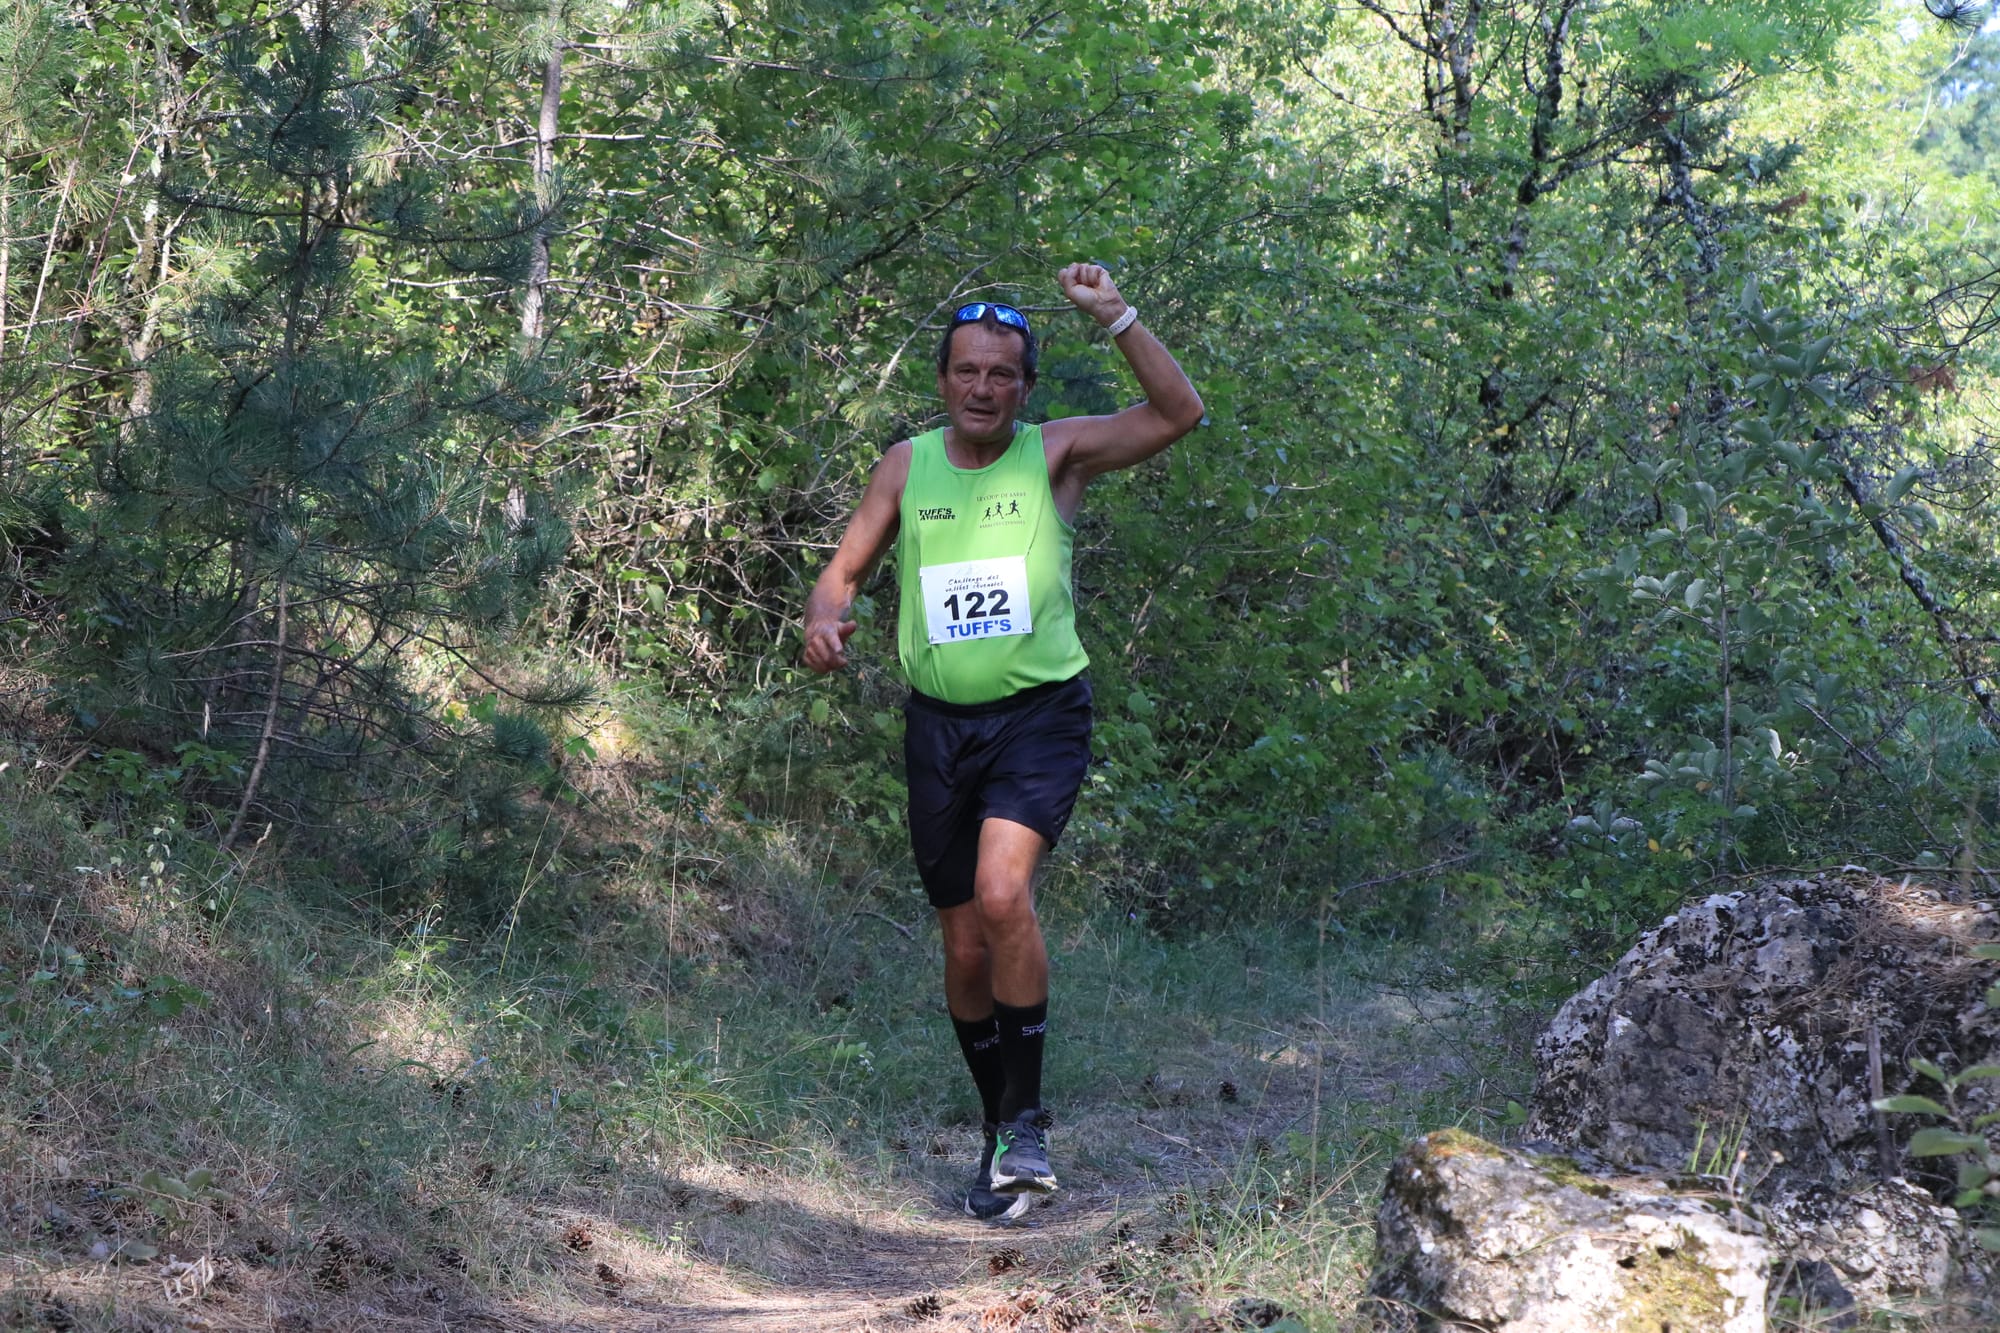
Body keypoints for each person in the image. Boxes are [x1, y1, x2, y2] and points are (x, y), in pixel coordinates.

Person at [801, 263, 1203, 1220]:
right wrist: (824, 621)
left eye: (1002, 375)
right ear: (943, 380)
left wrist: (1118, 315)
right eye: (968, 371)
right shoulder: (906, 465)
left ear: (1026, 389)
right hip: (939, 728)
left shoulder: (1057, 454)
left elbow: (1179, 411)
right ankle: (1002, 1131)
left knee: (1000, 893)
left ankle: (1027, 1124)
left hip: (1038, 716)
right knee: (962, 943)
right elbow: (841, 572)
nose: (983, 388)